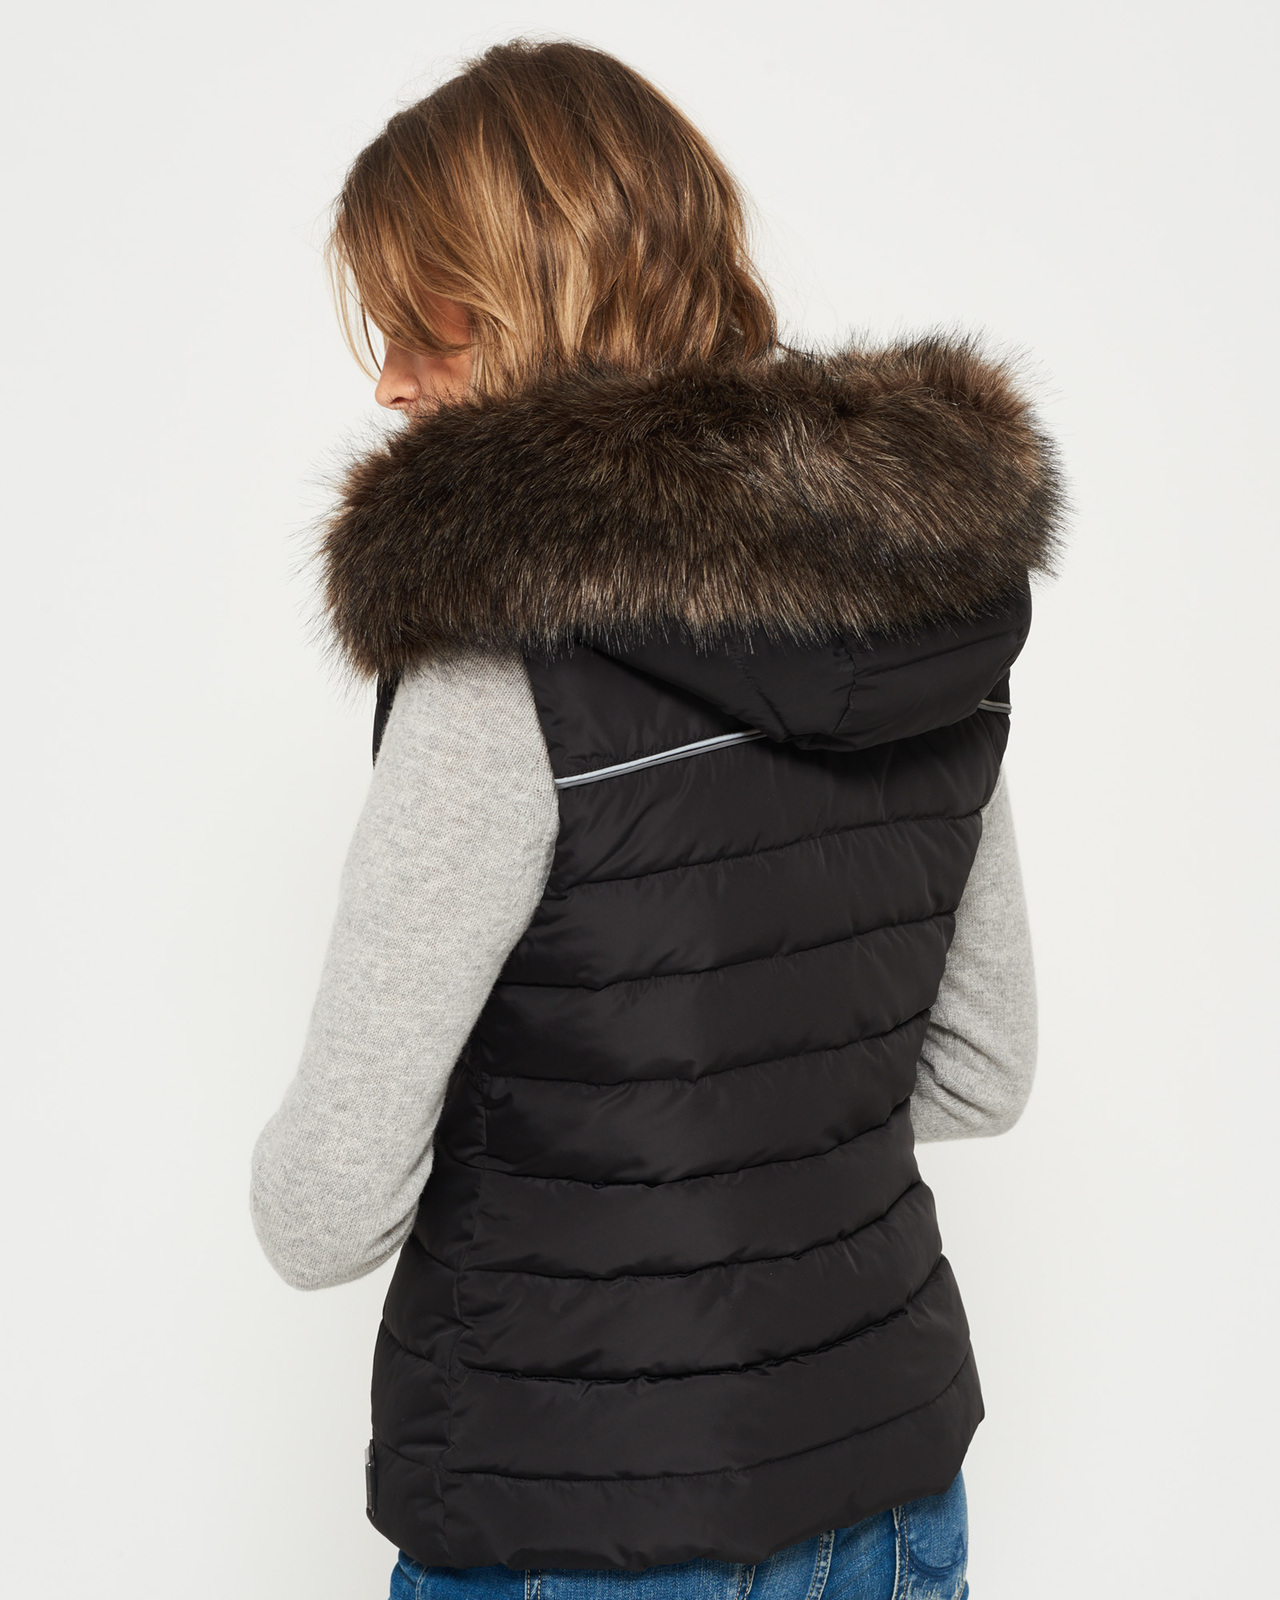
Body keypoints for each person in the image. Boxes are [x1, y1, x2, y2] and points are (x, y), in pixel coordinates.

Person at [252, 37, 1060, 1600]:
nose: (389, 378)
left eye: (425, 318)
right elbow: (984, 1067)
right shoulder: (920, 610)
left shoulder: (501, 664)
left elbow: (324, 1211)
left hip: (577, 1526)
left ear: (539, 298)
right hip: (892, 1501)